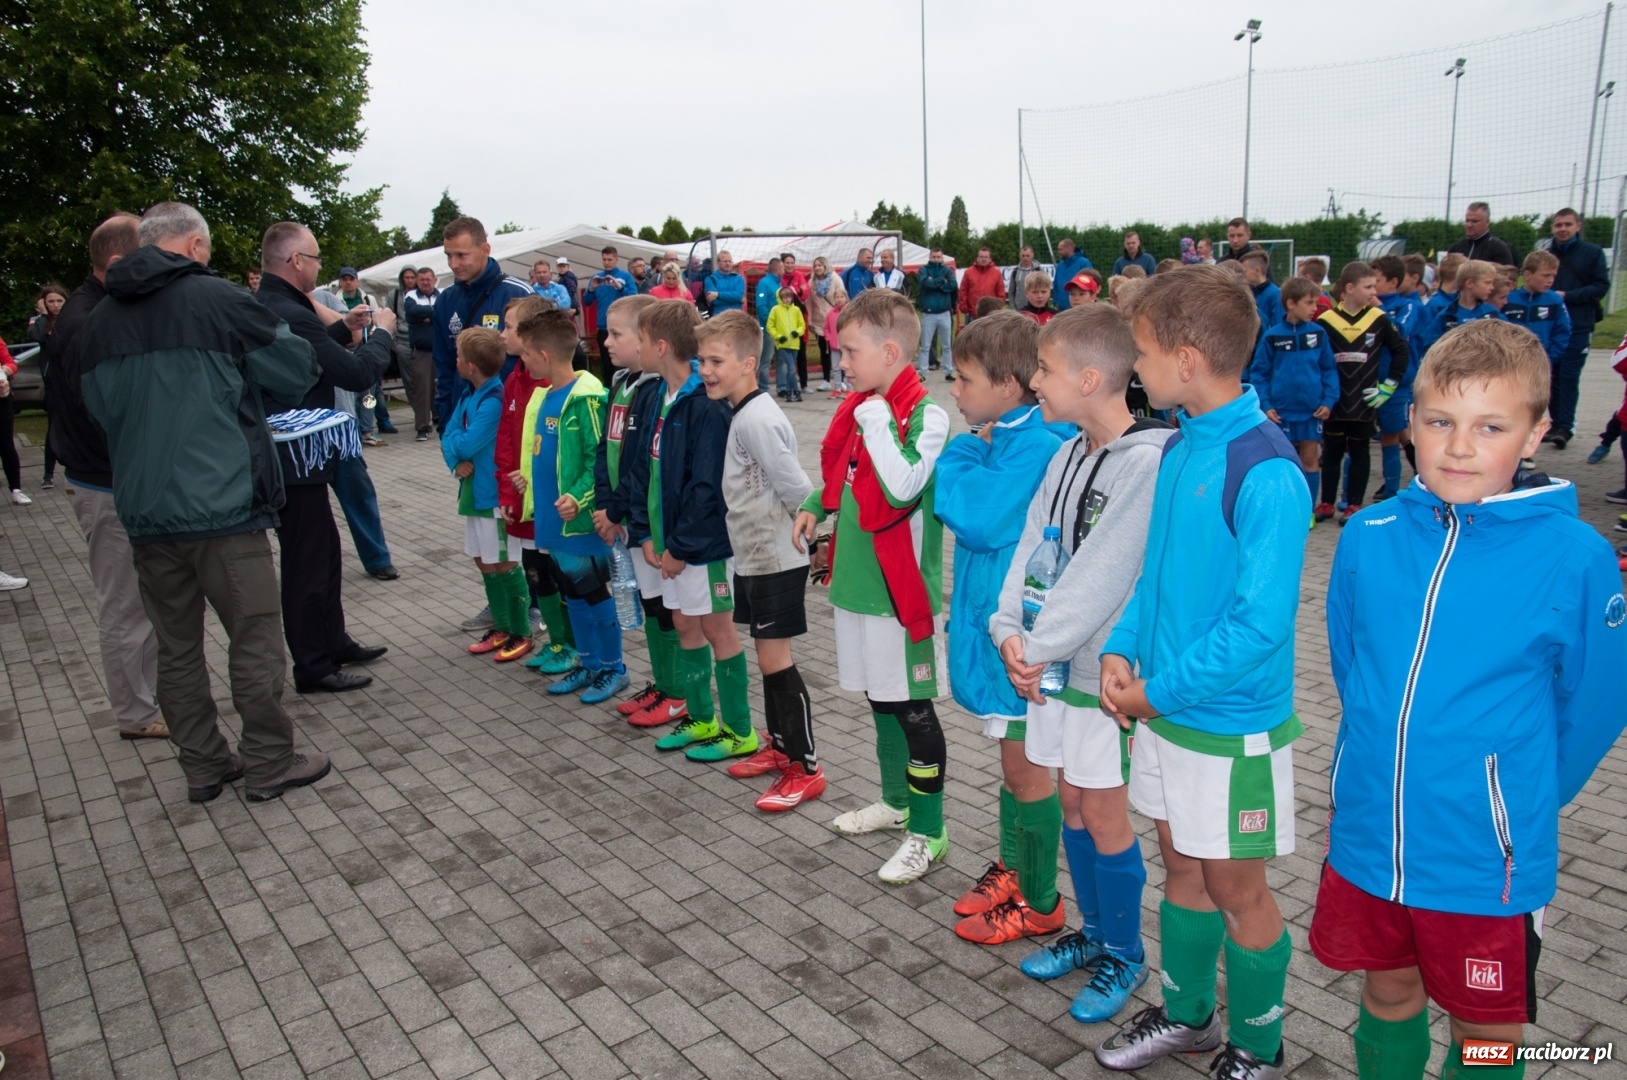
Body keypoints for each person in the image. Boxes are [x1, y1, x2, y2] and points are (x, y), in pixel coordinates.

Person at [1313, 318, 1625, 1080]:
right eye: (1439, 422)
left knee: (1487, 1026)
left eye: (1489, 426)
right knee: (1387, 989)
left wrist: (1509, 797)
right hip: (1369, 836)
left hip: (1483, 854)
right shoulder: (1369, 533)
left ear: (1534, 433)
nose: (1457, 446)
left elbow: (1592, 706)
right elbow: (1354, 668)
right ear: (1409, 422)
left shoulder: (1575, 557)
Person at [1091, 265, 1308, 1079]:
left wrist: (1155, 692)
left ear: (1185, 361)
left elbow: (1258, 626)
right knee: (1181, 867)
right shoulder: (1182, 444)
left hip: (1226, 727)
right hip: (1165, 710)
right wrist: (1120, 647)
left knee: (1236, 890)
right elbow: (1155, 575)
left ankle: (1259, 1045)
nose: (1133, 368)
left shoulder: (1266, 469)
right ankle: (1188, 1018)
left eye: (1141, 353)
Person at [79, 201, 331, 804]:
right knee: (254, 638)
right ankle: (269, 760)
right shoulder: (218, 299)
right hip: (223, 506)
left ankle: (203, 765)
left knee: (177, 649)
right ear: (194, 246)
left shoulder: (100, 318)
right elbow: (295, 367)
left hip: (145, 512)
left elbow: (97, 409)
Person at [989, 306, 1169, 1024]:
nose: (1033, 381)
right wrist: (1007, 627)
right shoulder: (1065, 453)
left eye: (1044, 369)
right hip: (1052, 666)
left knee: (1101, 809)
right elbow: (1031, 545)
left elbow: (1103, 575)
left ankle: (1125, 950)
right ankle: (1094, 933)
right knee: (1071, 801)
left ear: (1090, 379)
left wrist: (1034, 649)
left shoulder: (1146, 462)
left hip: (1099, 676)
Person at [792, 288, 952, 884]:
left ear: (889, 352)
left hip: (897, 598)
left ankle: (929, 830)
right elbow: (851, 477)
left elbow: (902, 485)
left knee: (913, 708)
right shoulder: (866, 408)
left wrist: (878, 417)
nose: (841, 363)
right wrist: (816, 503)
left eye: (850, 351)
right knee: (880, 701)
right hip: (856, 588)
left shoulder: (926, 416)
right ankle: (896, 801)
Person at [933, 311, 1072, 943]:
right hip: (999, 632)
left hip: (1021, 640)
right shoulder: (1008, 435)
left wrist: (965, 449)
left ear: (1008, 385)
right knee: (1012, 766)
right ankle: (1014, 871)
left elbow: (975, 516)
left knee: (1026, 771)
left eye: (964, 379)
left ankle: (1040, 901)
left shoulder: (1035, 444)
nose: (954, 390)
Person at [41, 214, 169, 737]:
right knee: (125, 604)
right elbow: (99, 412)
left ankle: (150, 698)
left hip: (116, 478)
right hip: (105, 482)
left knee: (140, 601)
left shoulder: (101, 308)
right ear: (117, 262)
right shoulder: (85, 321)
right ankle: (136, 713)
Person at [255, 223, 394, 692]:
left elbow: (305, 355)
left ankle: (333, 641)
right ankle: (313, 665)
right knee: (307, 562)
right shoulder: (288, 310)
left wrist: (341, 327)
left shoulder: (276, 305)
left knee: (325, 552)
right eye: (315, 258)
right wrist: (382, 334)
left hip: (300, 457)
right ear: (296, 260)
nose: (319, 267)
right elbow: (353, 374)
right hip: (293, 458)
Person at [696, 310, 824, 810]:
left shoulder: (757, 418)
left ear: (749, 364)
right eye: (702, 360)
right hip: (754, 556)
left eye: (717, 361)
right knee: (767, 658)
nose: (706, 370)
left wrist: (817, 539)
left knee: (776, 662)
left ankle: (805, 768)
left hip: (776, 558)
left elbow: (797, 486)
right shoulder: (743, 412)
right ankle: (781, 747)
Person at [630, 300, 756, 763]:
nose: (705, 369)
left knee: (717, 627)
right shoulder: (658, 398)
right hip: (670, 544)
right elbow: (646, 471)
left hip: (703, 547)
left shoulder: (706, 407)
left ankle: (740, 729)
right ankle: (701, 717)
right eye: (703, 360)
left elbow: (706, 488)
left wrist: (679, 546)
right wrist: (647, 534)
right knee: (684, 622)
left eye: (640, 339)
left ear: (662, 346)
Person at [513, 308, 629, 703]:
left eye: (526, 353)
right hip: (552, 521)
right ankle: (589, 663)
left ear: (545, 355)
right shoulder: (545, 396)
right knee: (572, 594)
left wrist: (579, 497)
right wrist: (528, 479)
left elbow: (601, 458)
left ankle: (614, 668)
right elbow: (547, 455)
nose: (522, 360)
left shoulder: (587, 399)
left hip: (579, 523)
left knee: (594, 594)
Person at [590, 295, 684, 723]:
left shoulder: (653, 391)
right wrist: (604, 504)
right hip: (625, 517)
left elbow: (642, 462)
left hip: (642, 520)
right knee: (649, 603)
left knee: (664, 607)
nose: (607, 342)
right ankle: (663, 684)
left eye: (616, 334)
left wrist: (617, 511)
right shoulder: (619, 383)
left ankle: (678, 692)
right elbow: (605, 451)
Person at [444, 327, 534, 663]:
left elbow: (465, 442)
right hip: (473, 495)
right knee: (483, 560)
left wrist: (457, 447)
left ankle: (521, 631)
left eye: (458, 355)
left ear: (470, 365)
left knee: (504, 562)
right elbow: (448, 433)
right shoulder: (470, 395)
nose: (454, 360)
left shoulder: (494, 399)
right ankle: (502, 626)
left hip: (493, 496)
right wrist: (455, 460)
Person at [1315, 261, 1413, 524]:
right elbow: (1317, 361)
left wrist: (1388, 386)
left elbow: (1401, 351)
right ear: (1350, 288)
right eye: (1368, 287)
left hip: (1365, 400)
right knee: (1332, 453)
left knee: (1360, 452)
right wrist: (1321, 394)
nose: (1374, 292)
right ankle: (1326, 503)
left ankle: (1354, 504)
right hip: (1335, 401)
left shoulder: (1378, 319)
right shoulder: (1326, 321)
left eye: (1374, 286)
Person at [432, 217, 533, 435]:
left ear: (485, 249)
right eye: (448, 255)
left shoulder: (519, 294)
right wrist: (446, 428)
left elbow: (540, 363)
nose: (453, 264)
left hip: (511, 422)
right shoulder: (445, 301)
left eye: (461, 255)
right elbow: (444, 369)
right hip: (466, 426)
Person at [1248, 277, 1339, 503]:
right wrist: (1266, 405)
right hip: (1281, 412)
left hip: (1311, 411)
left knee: (1310, 459)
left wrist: (1328, 400)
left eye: (1315, 302)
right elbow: (1259, 373)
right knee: (1284, 461)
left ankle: (1308, 510)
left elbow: (1328, 369)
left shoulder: (1318, 333)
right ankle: (1285, 506)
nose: (1314, 308)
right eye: (1309, 302)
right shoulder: (1273, 336)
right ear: (1291, 303)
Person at [1545, 207, 1611, 449]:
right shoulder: (1546, 254)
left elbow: (1600, 286)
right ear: (1552, 228)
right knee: (1551, 376)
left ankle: (1566, 426)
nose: (1562, 229)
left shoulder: (1592, 253)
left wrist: (1568, 296)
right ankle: (1555, 423)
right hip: (1551, 327)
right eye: (1558, 225)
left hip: (1579, 324)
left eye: (1567, 224)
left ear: (1577, 226)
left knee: (1569, 376)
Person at [1371, 256, 1425, 499]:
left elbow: (1400, 331)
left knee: (1393, 434)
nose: (1373, 289)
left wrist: (1378, 307)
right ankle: (1396, 483)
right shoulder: (1368, 307)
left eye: (1376, 282)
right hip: (1370, 383)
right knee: (1390, 434)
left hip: (1396, 383)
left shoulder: (1408, 306)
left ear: (1393, 282)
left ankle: (1394, 489)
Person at [1413, 260, 1502, 360]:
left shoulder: (1492, 313)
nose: (1492, 287)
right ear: (1469, 283)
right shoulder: (1447, 316)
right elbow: (1429, 347)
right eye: (1487, 283)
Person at [29, 283, 68, 488]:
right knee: (53, 426)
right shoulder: (39, 321)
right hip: (52, 383)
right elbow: (35, 336)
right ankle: (48, 474)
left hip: (70, 379)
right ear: (43, 303)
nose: (55, 305)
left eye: (59, 301)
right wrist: (43, 316)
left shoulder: (70, 319)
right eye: (50, 301)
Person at [583, 245, 639, 383]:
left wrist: (619, 288)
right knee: (607, 364)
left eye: (609, 259)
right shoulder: (597, 278)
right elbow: (586, 302)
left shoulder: (625, 276)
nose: (607, 262)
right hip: (603, 327)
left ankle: (629, 386)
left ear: (616, 259)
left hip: (623, 326)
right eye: (604, 259)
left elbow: (634, 297)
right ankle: (609, 389)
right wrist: (591, 288)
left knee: (625, 361)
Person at [403, 267, 440, 440]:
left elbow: (447, 313)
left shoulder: (443, 295)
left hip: (442, 350)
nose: (425, 282)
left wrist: (427, 317)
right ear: (417, 281)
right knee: (422, 390)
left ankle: (443, 420)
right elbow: (412, 313)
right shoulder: (411, 296)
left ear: (435, 280)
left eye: (428, 279)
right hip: (421, 351)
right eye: (422, 280)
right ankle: (422, 428)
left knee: (444, 387)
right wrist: (435, 314)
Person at [915, 246, 958, 380]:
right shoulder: (923, 270)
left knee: (947, 345)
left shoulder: (947, 270)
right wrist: (941, 281)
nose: (936, 259)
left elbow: (952, 285)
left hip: (945, 312)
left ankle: (948, 372)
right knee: (925, 346)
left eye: (938, 257)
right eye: (934, 257)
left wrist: (934, 282)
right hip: (928, 313)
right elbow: (925, 285)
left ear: (942, 258)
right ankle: (922, 372)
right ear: (929, 257)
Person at [1446, 201, 1516, 267]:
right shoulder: (1456, 248)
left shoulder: (1498, 248)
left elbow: (1506, 274)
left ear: (1487, 222)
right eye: (1467, 221)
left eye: (1474, 221)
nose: (1469, 225)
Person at [767, 286, 806, 402]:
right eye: (784, 297)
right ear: (780, 298)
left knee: (791, 369)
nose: (787, 300)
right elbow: (770, 326)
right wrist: (778, 336)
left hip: (794, 344)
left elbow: (802, 325)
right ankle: (796, 390)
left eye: (789, 297)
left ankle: (789, 391)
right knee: (791, 368)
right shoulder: (775, 310)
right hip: (783, 344)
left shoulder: (796, 310)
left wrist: (797, 332)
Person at [808, 257, 839, 391]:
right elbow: (809, 302)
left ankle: (841, 380)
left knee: (838, 350)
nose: (817, 268)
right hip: (819, 322)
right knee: (824, 351)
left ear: (825, 266)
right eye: (815, 266)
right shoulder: (811, 283)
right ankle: (826, 380)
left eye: (820, 265)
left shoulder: (835, 279)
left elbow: (842, 296)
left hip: (835, 320)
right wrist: (810, 319)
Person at [754, 257, 783, 390]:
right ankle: (763, 386)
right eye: (782, 267)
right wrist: (770, 323)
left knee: (781, 358)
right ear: (777, 268)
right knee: (766, 358)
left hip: (781, 328)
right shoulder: (764, 284)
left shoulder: (779, 284)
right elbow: (761, 305)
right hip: (769, 329)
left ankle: (782, 387)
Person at [0, 335, 22, 505]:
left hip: (2, 400)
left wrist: (4, 372)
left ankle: (16, 490)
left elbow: (11, 364)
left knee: (6, 444)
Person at [1238, 250, 1283, 334]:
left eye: (1244, 271)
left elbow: (1278, 325)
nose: (1242, 275)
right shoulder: (1248, 293)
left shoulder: (1275, 294)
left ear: (1257, 271)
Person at [959, 246, 1007, 320]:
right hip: (972, 314)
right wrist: (964, 307)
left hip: (991, 315)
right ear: (977, 258)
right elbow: (963, 291)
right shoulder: (968, 272)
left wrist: (999, 307)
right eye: (981, 257)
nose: (983, 259)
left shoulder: (997, 273)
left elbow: (1001, 293)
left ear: (990, 259)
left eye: (986, 257)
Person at [824, 279, 853, 398]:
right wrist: (829, 338)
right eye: (837, 297)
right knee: (836, 368)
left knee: (847, 367)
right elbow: (826, 328)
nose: (839, 299)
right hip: (834, 345)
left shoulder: (850, 313)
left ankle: (849, 388)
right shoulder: (830, 313)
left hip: (846, 345)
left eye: (842, 297)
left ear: (846, 298)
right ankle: (837, 388)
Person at [1052, 239, 1092, 311]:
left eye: (1061, 249)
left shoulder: (1084, 263)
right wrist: (1056, 302)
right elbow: (1056, 285)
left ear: (1069, 249)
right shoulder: (1060, 265)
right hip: (1061, 310)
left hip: (1079, 310)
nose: (1059, 252)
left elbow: (1090, 284)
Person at [703, 250, 747, 314]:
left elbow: (739, 296)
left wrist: (718, 295)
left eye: (730, 261)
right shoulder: (710, 279)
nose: (728, 264)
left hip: (737, 317)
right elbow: (714, 301)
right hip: (719, 318)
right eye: (725, 261)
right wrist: (735, 300)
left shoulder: (739, 278)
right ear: (718, 263)